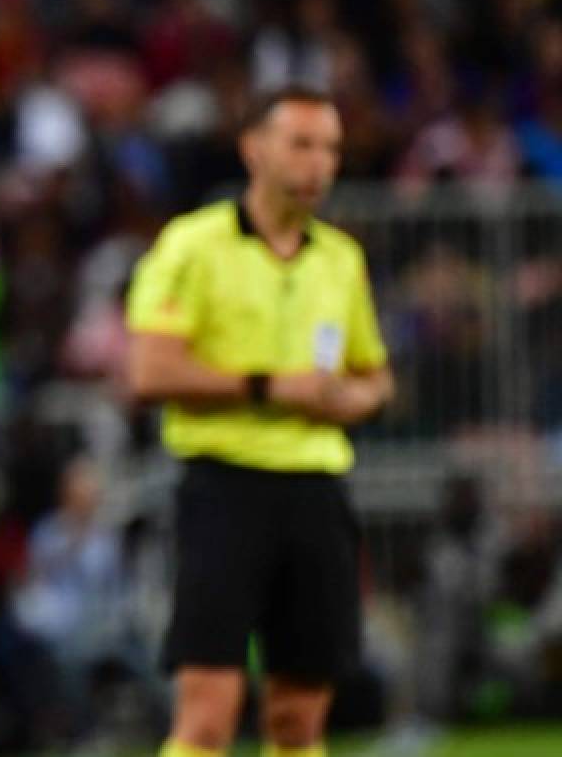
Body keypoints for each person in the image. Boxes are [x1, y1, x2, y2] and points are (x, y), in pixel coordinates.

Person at [125, 85, 394, 757]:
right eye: (302, 143)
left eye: (331, 147)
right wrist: (274, 387)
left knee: (300, 721)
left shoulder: (340, 259)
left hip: (317, 491)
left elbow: (375, 375)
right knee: (209, 717)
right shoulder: (192, 245)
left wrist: (352, 402)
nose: (320, 163)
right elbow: (149, 373)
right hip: (224, 488)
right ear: (253, 148)